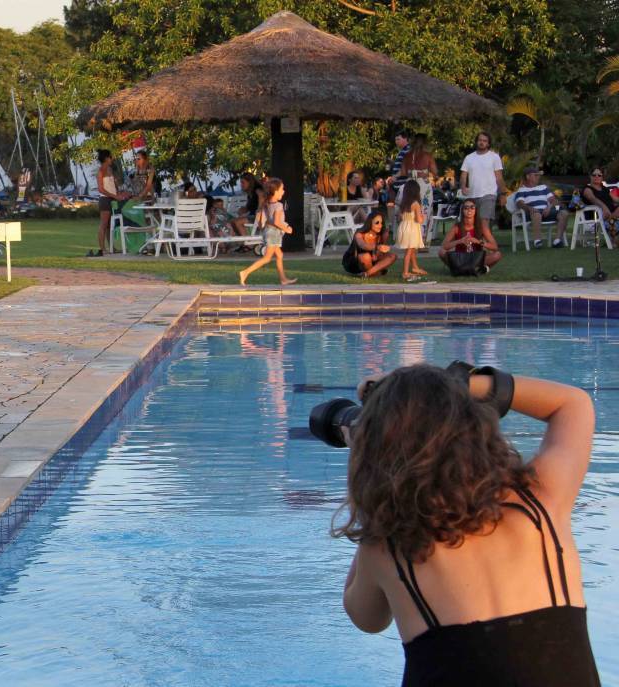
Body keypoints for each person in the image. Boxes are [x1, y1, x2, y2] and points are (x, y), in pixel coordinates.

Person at [336, 363, 600, 686]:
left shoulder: (388, 547)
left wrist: (375, 491)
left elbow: (366, 618)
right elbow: (573, 404)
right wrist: (455, 384)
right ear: (475, 427)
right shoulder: (540, 499)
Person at [238, 178, 296, 286]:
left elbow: (261, 219)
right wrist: (287, 229)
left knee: (279, 255)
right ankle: (245, 272)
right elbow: (277, 222)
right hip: (273, 233)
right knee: (267, 258)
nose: (283, 191)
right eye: (282, 189)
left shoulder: (266, 204)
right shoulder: (278, 205)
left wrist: (263, 228)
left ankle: (283, 279)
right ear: (275, 191)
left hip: (268, 231)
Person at [460, 131, 507, 235]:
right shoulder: (469, 158)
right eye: (480, 140)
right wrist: (463, 187)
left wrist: (503, 194)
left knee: (484, 221)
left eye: (485, 141)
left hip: (489, 195)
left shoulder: (494, 157)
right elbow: (463, 175)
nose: (482, 142)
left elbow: (499, 178)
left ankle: (487, 243)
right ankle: (483, 243)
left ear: (488, 143)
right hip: (473, 196)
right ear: (476, 142)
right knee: (475, 223)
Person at [439, 199, 502, 274]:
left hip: (476, 258)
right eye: (466, 208)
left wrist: (479, 242)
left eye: (472, 207)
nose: (469, 210)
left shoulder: (482, 226)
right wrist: (460, 241)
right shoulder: (457, 227)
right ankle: (470, 269)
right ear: (462, 211)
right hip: (460, 259)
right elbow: (444, 246)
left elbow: (494, 246)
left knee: (497, 255)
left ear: (476, 210)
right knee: (441, 252)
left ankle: (464, 269)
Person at [514, 165, 569, 248]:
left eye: (538, 175)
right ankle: (537, 241)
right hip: (532, 213)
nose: (538, 177)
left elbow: (553, 200)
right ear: (528, 176)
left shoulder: (543, 187)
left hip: (547, 211)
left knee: (564, 213)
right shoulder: (522, 190)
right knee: (536, 214)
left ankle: (557, 241)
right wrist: (529, 208)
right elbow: (519, 203)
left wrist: (549, 207)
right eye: (535, 175)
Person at [343, 211, 397, 278]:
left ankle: (367, 274)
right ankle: (378, 271)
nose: (380, 225)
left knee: (392, 256)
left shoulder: (380, 235)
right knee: (365, 257)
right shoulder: (359, 234)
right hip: (354, 262)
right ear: (370, 222)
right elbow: (363, 245)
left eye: (381, 223)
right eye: (377, 223)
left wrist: (383, 242)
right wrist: (377, 247)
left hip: (371, 261)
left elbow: (379, 254)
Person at [94, 149, 128, 256]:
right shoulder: (100, 171)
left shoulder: (110, 169)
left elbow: (113, 185)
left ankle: (112, 247)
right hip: (105, 200)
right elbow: (101, 189)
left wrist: (119, 192)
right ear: (106, 158)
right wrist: (114, 196)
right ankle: (102, 248)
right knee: (103, 225)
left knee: (110, 225)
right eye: (110, 157)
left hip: (113, 199)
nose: (112, 159)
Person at [395, 179, 426, 281]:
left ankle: (415, 268)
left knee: (411, 249)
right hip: (412, 229)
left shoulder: (403, 204)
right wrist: (423, 217)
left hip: (403, 227)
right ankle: (405, 272)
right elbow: (418, 220)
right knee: (409, 251)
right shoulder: (416, 204)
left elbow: (399, 218)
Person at [582, 168, 619, 235]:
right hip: (596, 216)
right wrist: (604, 207)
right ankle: (611, 222)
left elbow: (615, 199)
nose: (597, 177)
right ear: (590, 176)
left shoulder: (605, 189)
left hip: (610, 215)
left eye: (599, 175)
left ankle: (611, 220)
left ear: (602, 177)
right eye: (594, 175)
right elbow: (593, 199)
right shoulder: (587, 189)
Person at [232, 172, 261, 237]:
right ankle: (242, 239)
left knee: (237, 222)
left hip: (258, 218)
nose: (241, 185)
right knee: (232, 222)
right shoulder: (250, 194)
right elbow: (249, 208)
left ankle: (247, 242)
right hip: (252, 216)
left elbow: (261, 206)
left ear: (249, 182)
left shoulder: (258, 191)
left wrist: (259, 217)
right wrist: (243, 209)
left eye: (243, 182)